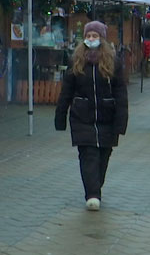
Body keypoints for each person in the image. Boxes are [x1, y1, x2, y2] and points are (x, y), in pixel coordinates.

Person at [55, 20, 128, 211]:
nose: (91, 39)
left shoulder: (113, 61)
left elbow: (121, 93)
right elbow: (66, 91)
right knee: (88, 157)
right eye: (88, 36)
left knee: (103, 157)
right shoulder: (76, 60)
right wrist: (60, 116)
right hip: (82, 117)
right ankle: (92, 194)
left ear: (102, 38)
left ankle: (96, 187)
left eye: (95, 36)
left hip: (107, 117)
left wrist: (121, 121)